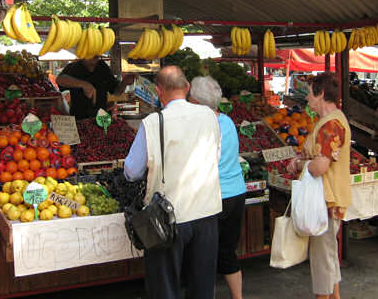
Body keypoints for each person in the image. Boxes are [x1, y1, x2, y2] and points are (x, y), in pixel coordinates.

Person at [124, 66, 222, 299]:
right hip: (206, 214)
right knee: (202, 287)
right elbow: (215, 156)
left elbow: (131, 170)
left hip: (166, 218)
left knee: (165, 288)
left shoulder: (152, 122)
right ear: (187, 87)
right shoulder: (210, 116)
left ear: (159, 92)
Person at [286, 73, 351, 299]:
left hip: (326, 199)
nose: (307, 99)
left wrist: (300, 163)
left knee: (322, 258)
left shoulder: (332, 125)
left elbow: (319, 167)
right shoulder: (331, 121)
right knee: (328, 255)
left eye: (310, 93)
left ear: (321, 93)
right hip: (328, 197)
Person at [188, 76, 247, 299]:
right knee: (227, 251)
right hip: (236, 193)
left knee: (204, 255)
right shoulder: (228, 121)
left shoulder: (201, 127)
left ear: (195, 101)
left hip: (213, 197)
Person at [56, 56, 135, 119]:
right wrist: (84, 84)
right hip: (79, 119)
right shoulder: (74, 67)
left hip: (101, 119)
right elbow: (60, 79)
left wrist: (124, 83)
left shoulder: (103, 67)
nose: (95, 55)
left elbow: (116, 92)